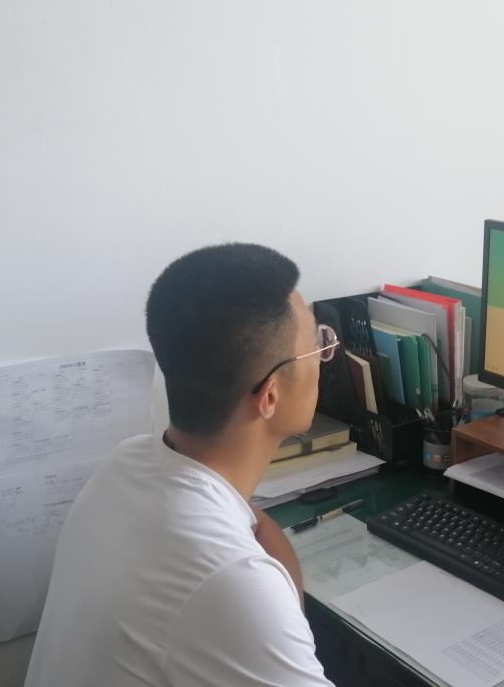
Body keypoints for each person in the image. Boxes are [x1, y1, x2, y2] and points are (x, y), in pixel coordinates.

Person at [25, 243, 337, 686]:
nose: (324, 355)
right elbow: (235, 571)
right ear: (270, 396)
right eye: (316, 345)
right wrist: (273, 609)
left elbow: (250, 522)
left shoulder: (126, 464)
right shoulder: (230, 581)